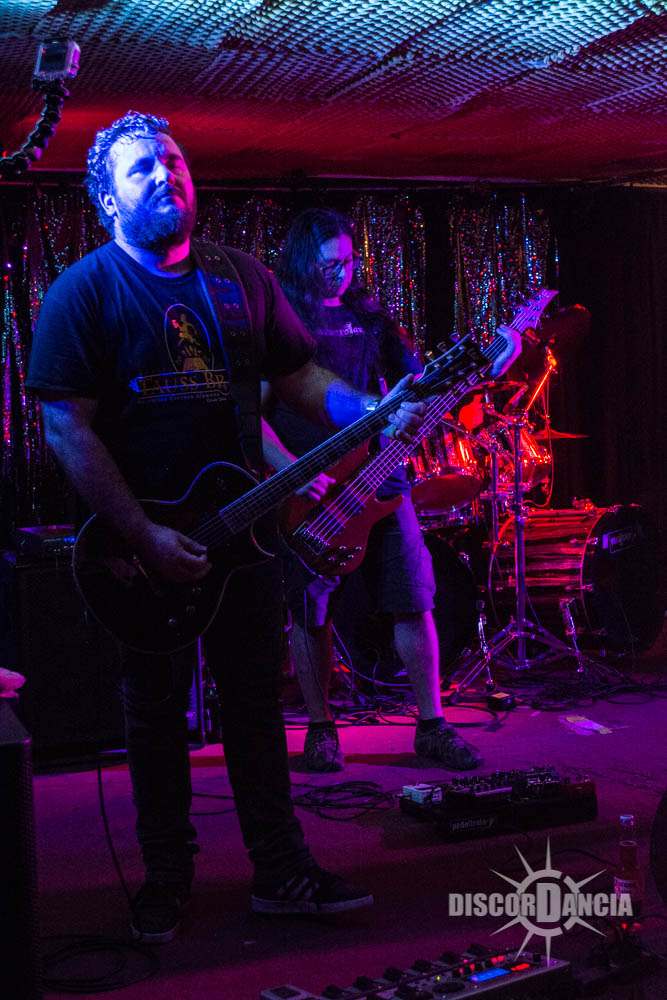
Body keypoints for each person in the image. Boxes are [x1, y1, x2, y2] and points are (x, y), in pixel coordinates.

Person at [25, 112, 439, 944]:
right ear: (107, 200)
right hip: (142, 551)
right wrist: (142, 535)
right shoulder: (84, 292)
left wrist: (369, 408)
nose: (166, 175)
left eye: (173, 160)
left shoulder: (239, 278)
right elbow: (67, 428)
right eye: (143, 169)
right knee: (153, 714)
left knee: (255, 704)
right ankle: (165, 878)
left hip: (245, 536)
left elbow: (300, 378)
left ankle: (281, 870)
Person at [261, 208, 510, 774]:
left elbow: (420, 383)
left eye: (349, 262)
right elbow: (252, 415)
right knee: (310, 611)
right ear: (303, 261)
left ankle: (433, 724)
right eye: (329, 264)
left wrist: (487, 367)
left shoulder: (369, 317)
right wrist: (291, 471)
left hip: (383, 475)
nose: (341, 273)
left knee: (413, 596)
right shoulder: (281, 321)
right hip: (313, 489)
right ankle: (321, 730)